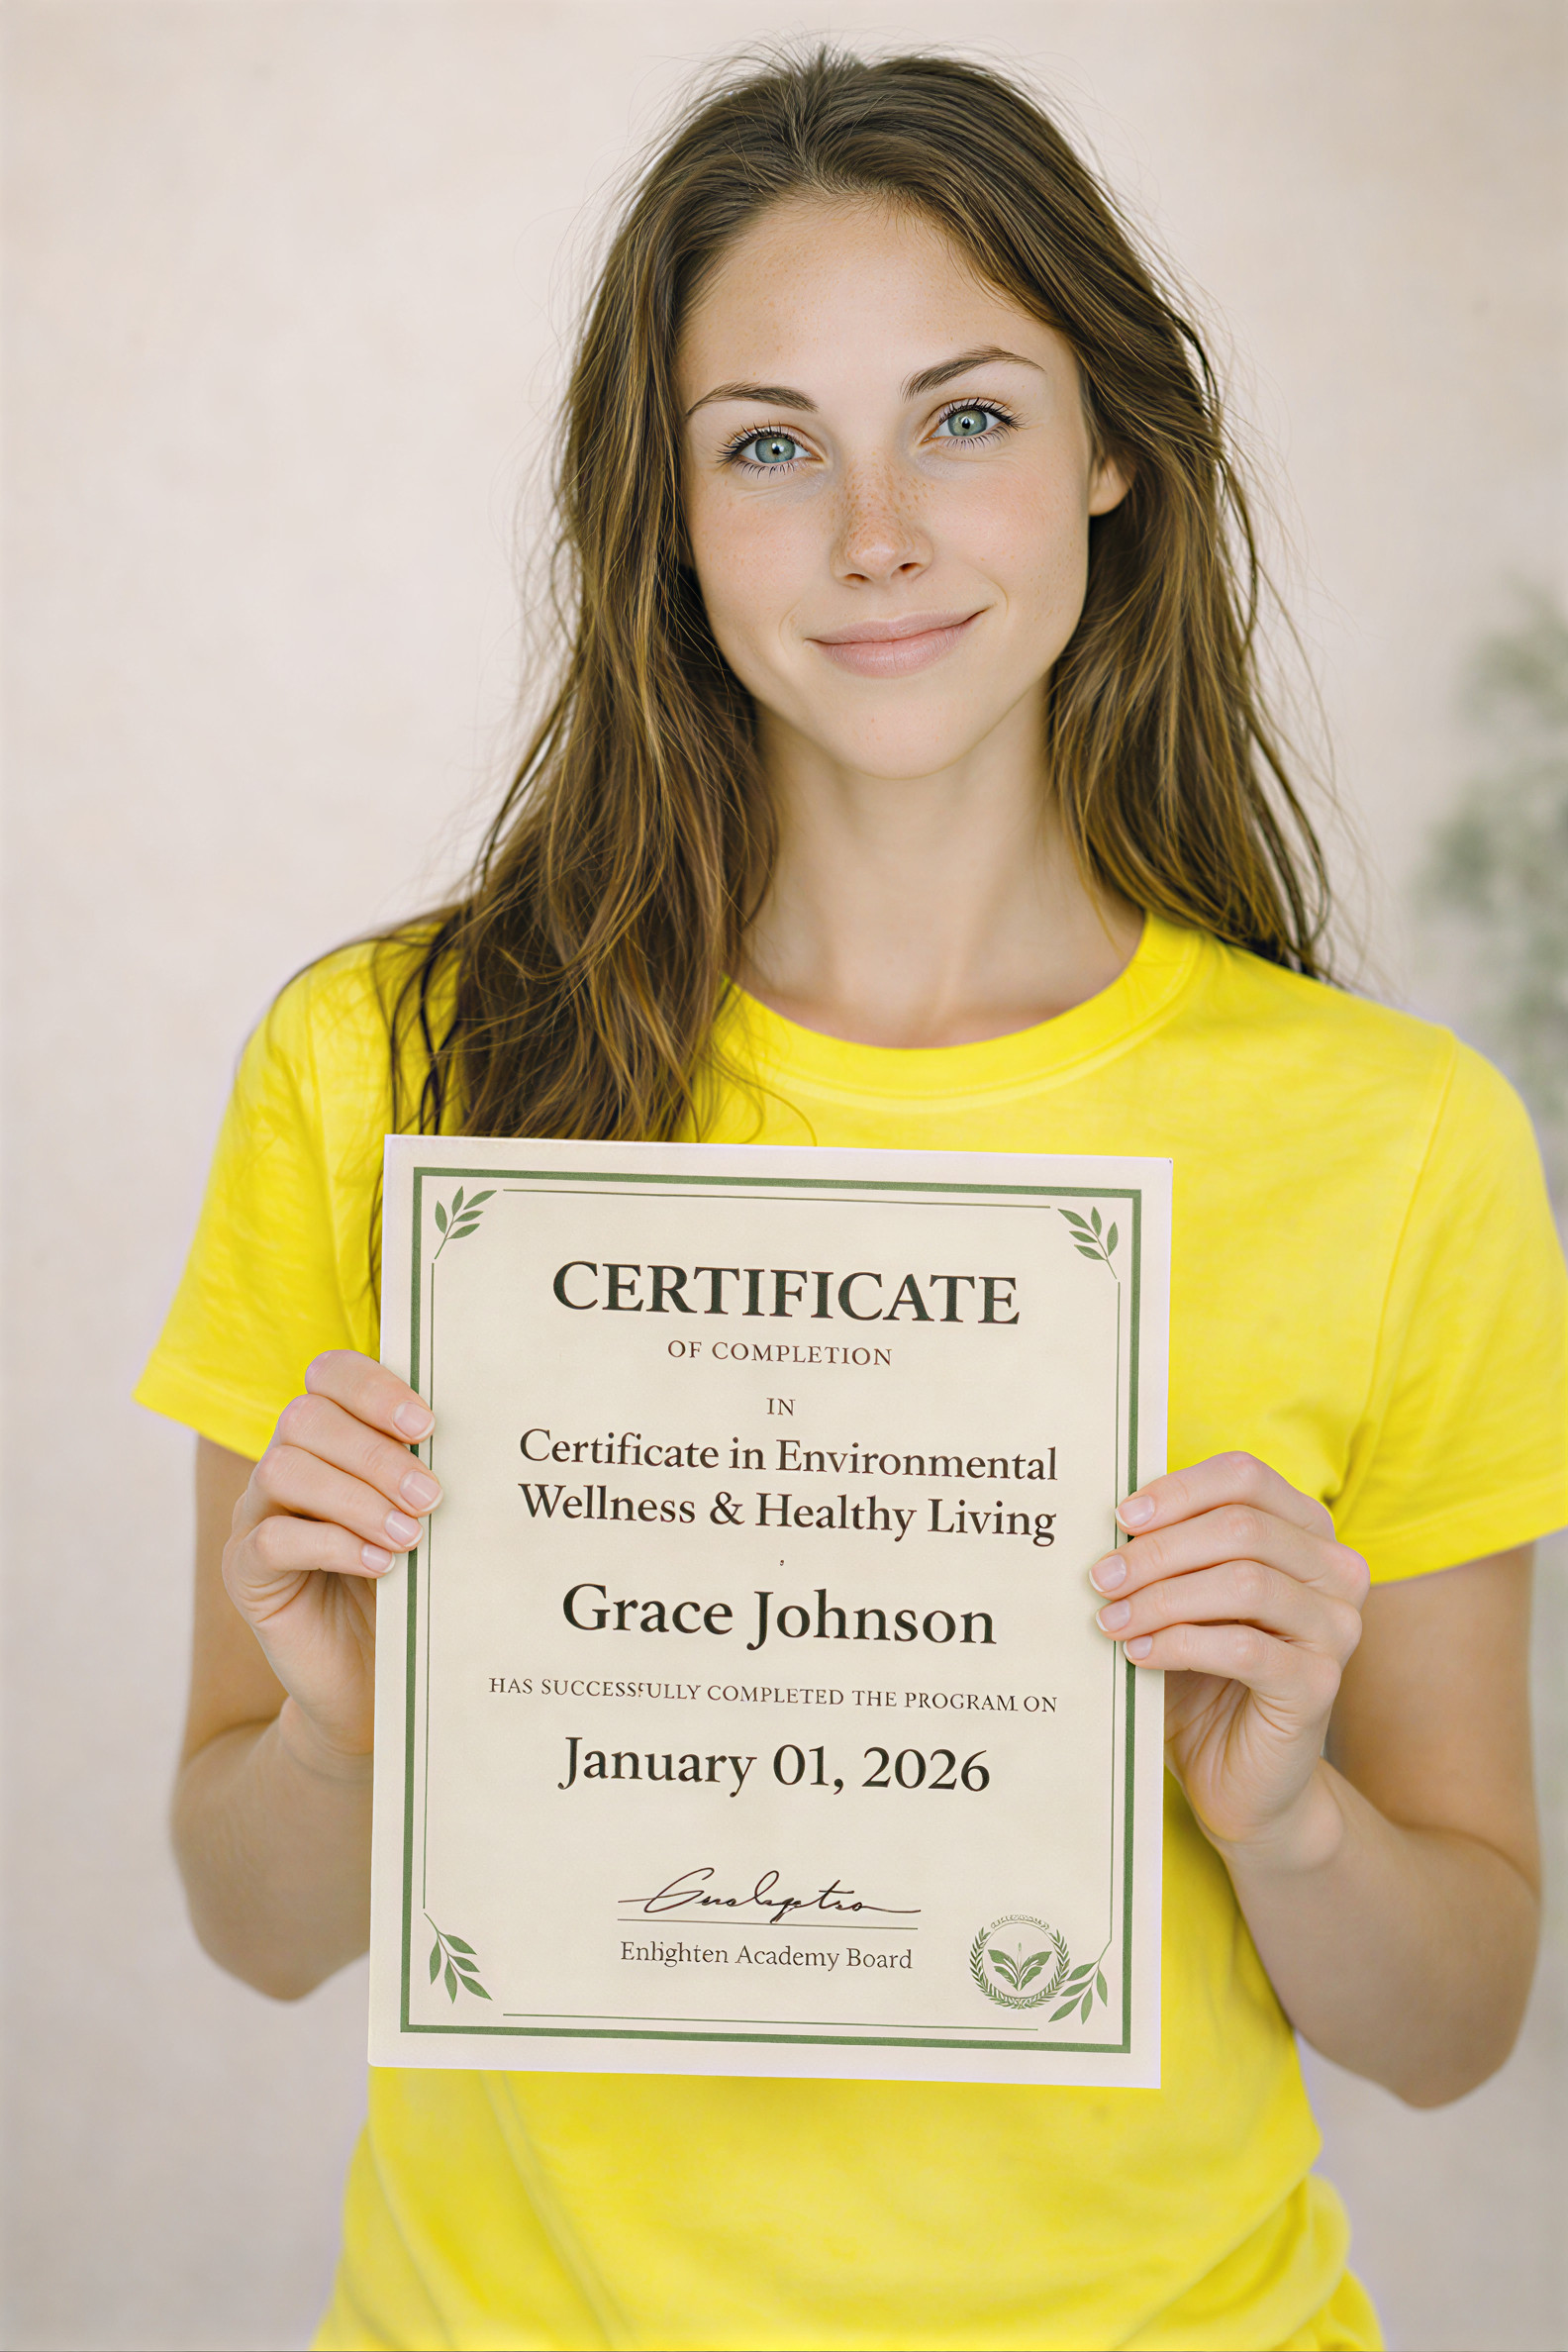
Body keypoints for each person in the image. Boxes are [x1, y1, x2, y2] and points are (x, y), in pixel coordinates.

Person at [138, 47, 1567, 2352]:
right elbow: (263, 1924)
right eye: (772, 444)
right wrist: (333, 1731)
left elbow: (1453, 2021)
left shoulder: (1396, 1139)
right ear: (672, 519)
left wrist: (1285, 1815)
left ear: (1114, 451)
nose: (875, 529)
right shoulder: (383, 1071)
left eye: (969, 417)